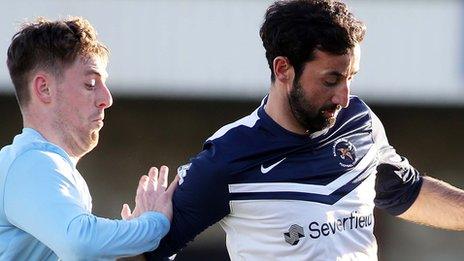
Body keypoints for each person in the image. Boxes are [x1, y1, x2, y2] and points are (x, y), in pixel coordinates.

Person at [145, 0, 464, 260]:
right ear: (283, 69)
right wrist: (141, 232)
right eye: (331, 80)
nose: (344, 96)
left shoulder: (359, 122)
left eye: (350, 77)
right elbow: (150, 253)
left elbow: (405, 190)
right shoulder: (227, 156)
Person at [0, 17, 178, 260]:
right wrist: (154, 224)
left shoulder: (40, 169)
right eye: (91, 83)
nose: (107, 98)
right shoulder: (32, 161)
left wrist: (134, 242)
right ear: (44, 88)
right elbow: (80, 243)